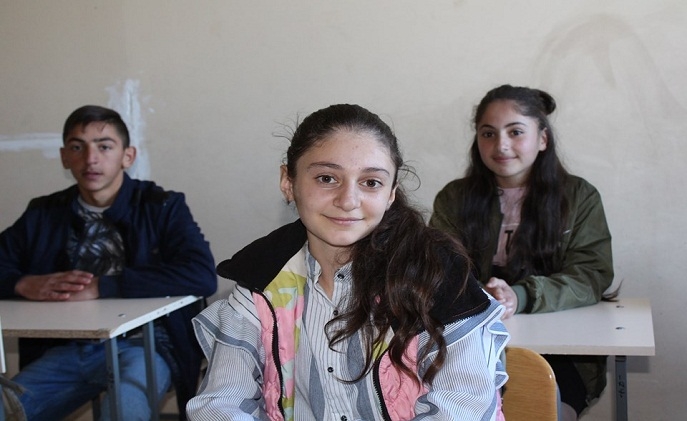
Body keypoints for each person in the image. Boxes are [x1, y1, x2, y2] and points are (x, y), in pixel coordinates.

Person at [186, 104, 509, 421]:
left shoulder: (437, 274)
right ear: (288, 182)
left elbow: (461, 407)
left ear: (391, 193)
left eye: (371, 183)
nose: (348, 201)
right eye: (327, 178)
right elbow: (220, 403)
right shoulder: (261, 278)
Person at [0, 105, 217, 420]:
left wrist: (103, 286)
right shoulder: (44, 212)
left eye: (104, 147)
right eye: (78, 147)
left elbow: (201, 275)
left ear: (127, 156)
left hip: (146, 346)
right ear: (64, 157)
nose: (90, 159)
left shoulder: (161, 206)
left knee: (124, 412)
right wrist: (21, 283)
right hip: (64, 348)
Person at [429, 85, 614, 420]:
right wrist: (481, 294)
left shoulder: (579, 197)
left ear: (542, 139)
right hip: (470, 345)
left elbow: (591, 274)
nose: (501, 145)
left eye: (515, 132)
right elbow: (436, 271)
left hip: (561, 352)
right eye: (488, 133)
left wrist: (519, 296)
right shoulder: (453, 198)